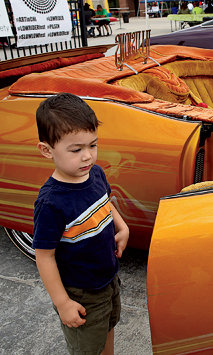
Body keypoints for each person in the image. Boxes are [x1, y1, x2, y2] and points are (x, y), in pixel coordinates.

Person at [33, 93, 130, 355]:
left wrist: (122, 227)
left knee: (107, 331)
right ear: (46, 150)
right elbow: (44, 256)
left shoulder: (94, 174)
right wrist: (62, 302)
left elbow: (104, 201)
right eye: (76, 150)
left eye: (93, 145)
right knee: (88, 348)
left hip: (108, 279)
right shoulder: (51, 203)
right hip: (82, 293)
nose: (87, 156)